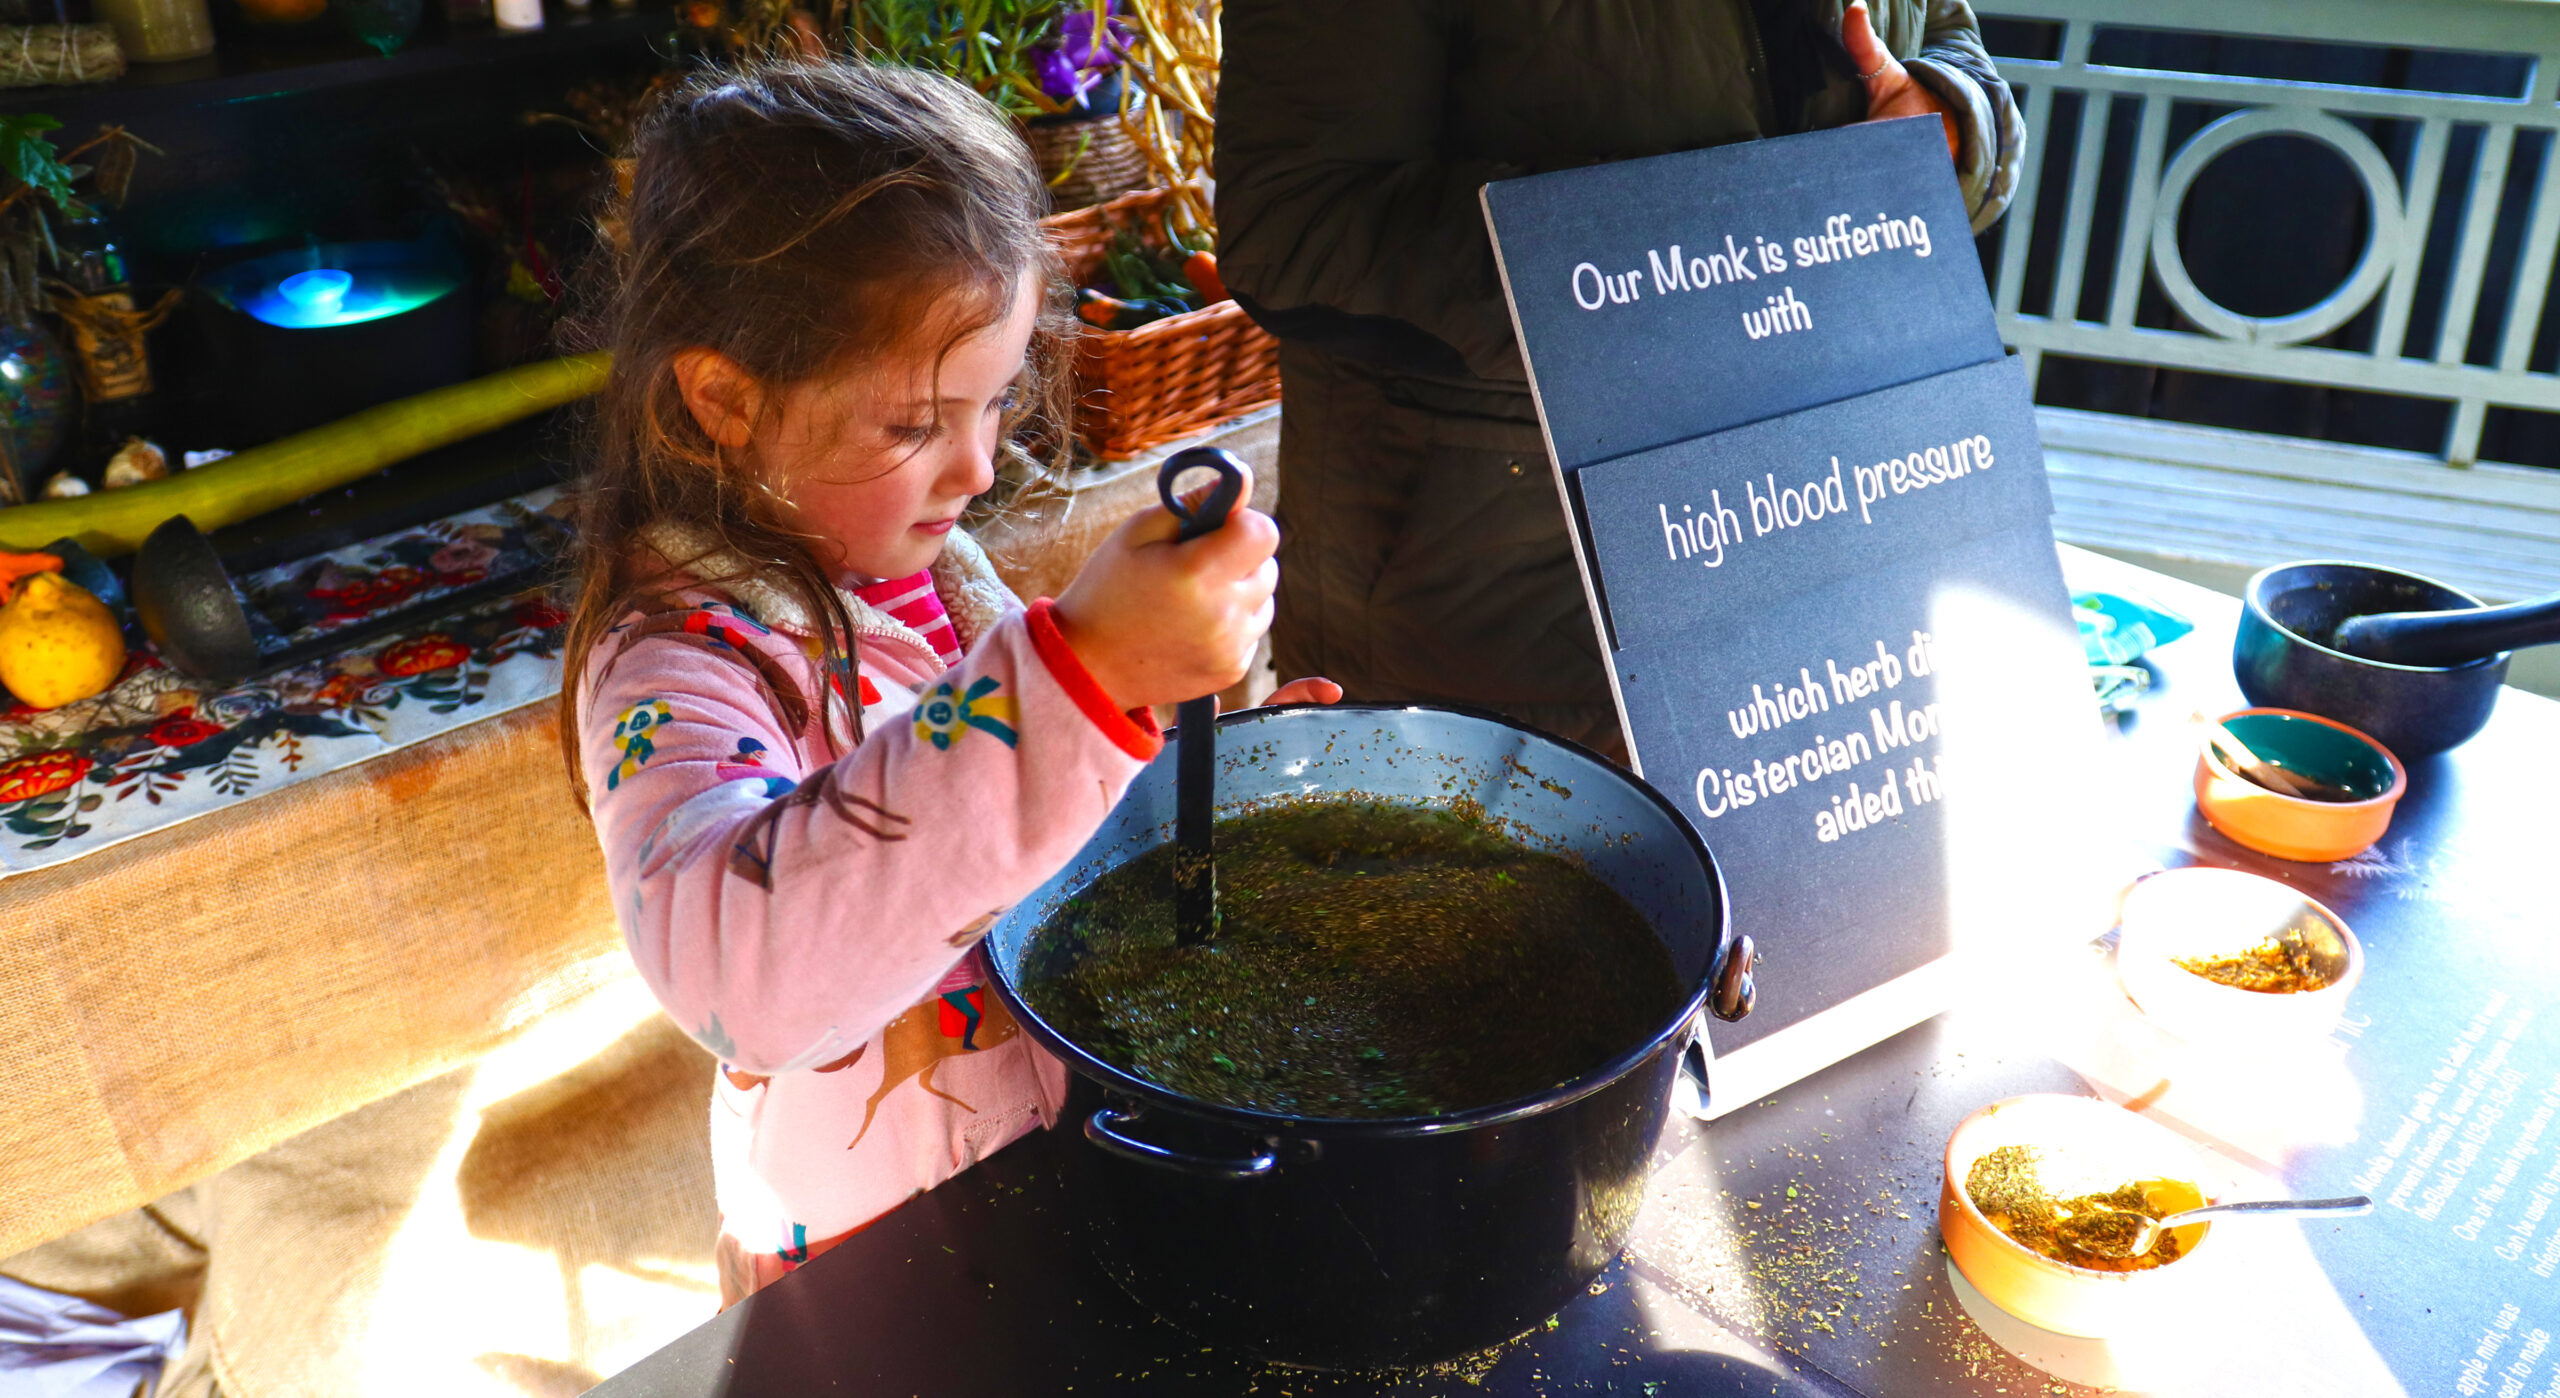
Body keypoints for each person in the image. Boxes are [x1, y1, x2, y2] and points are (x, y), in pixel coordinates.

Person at [558, 61, 1332, 1307]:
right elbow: (743, 980)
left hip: (1058, 1200)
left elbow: (1028, 837)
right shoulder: (678, 664)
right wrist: (1080, 676)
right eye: (915, 424)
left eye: (994, 403)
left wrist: (1208, 791)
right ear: (723, 400)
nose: (976, 466)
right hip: (874, 1287)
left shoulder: (943, 584)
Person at [1217, 0, 2025, 758]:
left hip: (1833, 545)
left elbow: (1943, 36)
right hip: (1502, 599)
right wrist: (1699, 260)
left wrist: (1954, 121)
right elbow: (1296, 226)